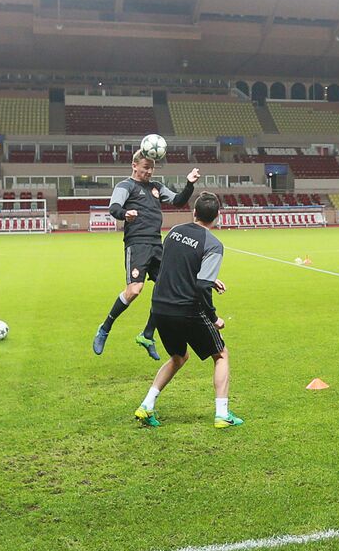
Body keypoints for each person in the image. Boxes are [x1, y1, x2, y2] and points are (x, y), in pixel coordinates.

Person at [132, 192, 243, 429]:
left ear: (194, 212)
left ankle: (146, 405)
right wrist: (214, 318)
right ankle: (222, 414)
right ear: (217, 217)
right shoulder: (213, 244)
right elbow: (201, 286)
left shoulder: (174, 232)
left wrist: (211, 279)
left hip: (160, 306)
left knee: (178, 356)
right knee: (221, 354)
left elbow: (175, 265)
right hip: (186, 308)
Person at [93, 151, 201, 360]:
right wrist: (125, 213)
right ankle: (105, 328)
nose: (149, 172)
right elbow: (114, 207)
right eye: (145, 168)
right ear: (134, 165)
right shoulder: (125, 186)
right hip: (137, 244)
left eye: (152, 168)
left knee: (167, 289)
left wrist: (189, 184)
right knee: (135, 289)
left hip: (156, 244)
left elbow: (178, 201)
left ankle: (147, 334)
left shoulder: (157, 187)